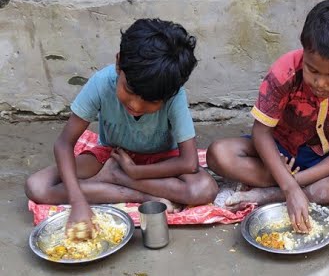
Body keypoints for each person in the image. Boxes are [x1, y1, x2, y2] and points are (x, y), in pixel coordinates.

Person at [25, 18, 216, 238]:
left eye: (150, 102)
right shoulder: (101, 83)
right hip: (111, 156)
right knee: (37, 186)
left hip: (161, 161)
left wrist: (134, 172)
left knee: (204, 189)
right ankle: (141, 195)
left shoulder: (174, 94)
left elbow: (189, 162)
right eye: (129, 90)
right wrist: (77, 202)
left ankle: (119, 180)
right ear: (119, 63)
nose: (135, 105)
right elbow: (64, 144)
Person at [207, 0, 329, 232]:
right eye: (313, 70)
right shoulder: (285, 70)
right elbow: (261, 132)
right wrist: (287, 181)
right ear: (304, 49)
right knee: (219, 154)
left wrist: (291, 186)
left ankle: (270, 195)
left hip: (326, 160)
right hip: (278, 153)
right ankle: (290, 189)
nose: (321, 83)